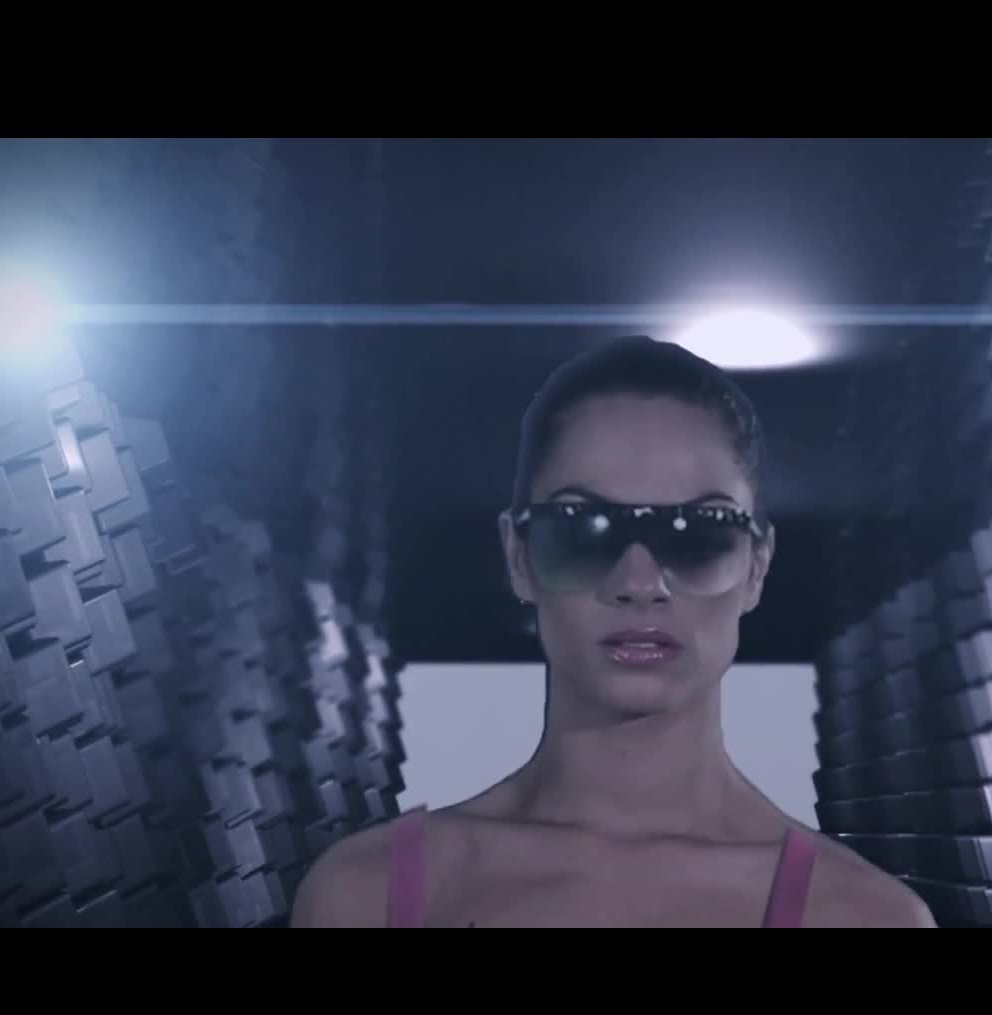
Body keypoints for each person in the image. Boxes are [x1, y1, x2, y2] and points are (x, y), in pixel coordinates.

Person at [291, 336, 935, 927]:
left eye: (698, 531)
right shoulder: (363, 895)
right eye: (583, 528)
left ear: (756, 567)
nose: (640, 581)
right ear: (519, 556)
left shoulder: (864, 917)